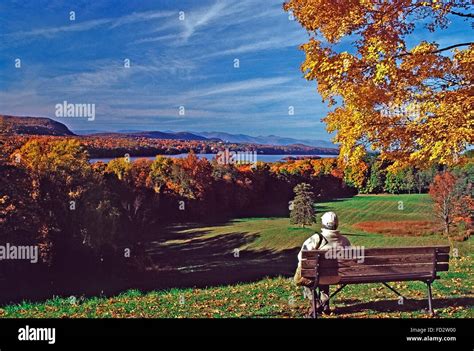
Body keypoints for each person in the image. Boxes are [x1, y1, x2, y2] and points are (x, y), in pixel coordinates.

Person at [294, 211, 351, 315]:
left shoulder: (317, 239)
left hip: (318, 276)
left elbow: (301, 257)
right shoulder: (345, 241)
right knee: (324, 274)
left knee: (304, 277)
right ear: (336, 224)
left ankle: (315, 303)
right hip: (337, 276)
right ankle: (325, 306)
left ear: (323, 224)